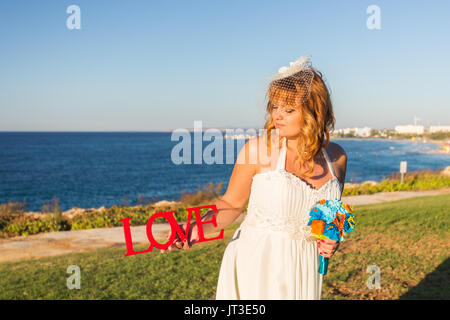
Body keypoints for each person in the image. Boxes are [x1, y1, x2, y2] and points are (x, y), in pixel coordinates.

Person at [160, 56, 347, 300]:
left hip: (305, 267)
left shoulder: (338, 158)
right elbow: (231, 204)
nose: (277, 115)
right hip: (258, 265)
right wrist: (194, 229)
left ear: (314, 111)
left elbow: (330, 218)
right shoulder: (258, 150)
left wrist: (332, 241)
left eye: (288, 109)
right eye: (274, 106)